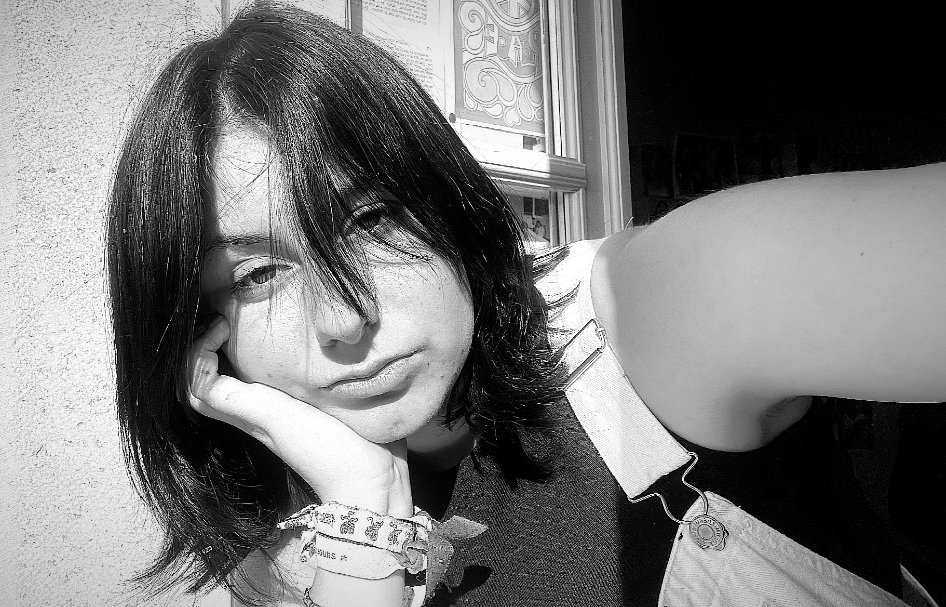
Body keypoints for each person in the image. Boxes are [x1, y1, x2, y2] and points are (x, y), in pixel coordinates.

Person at [106, 5, 946, 606]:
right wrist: (364, 518)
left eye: (369, 218)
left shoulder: (647, 313)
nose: (343, 320)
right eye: (258, 275)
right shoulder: (281, 549)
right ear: (202, 332)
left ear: (445, 196)